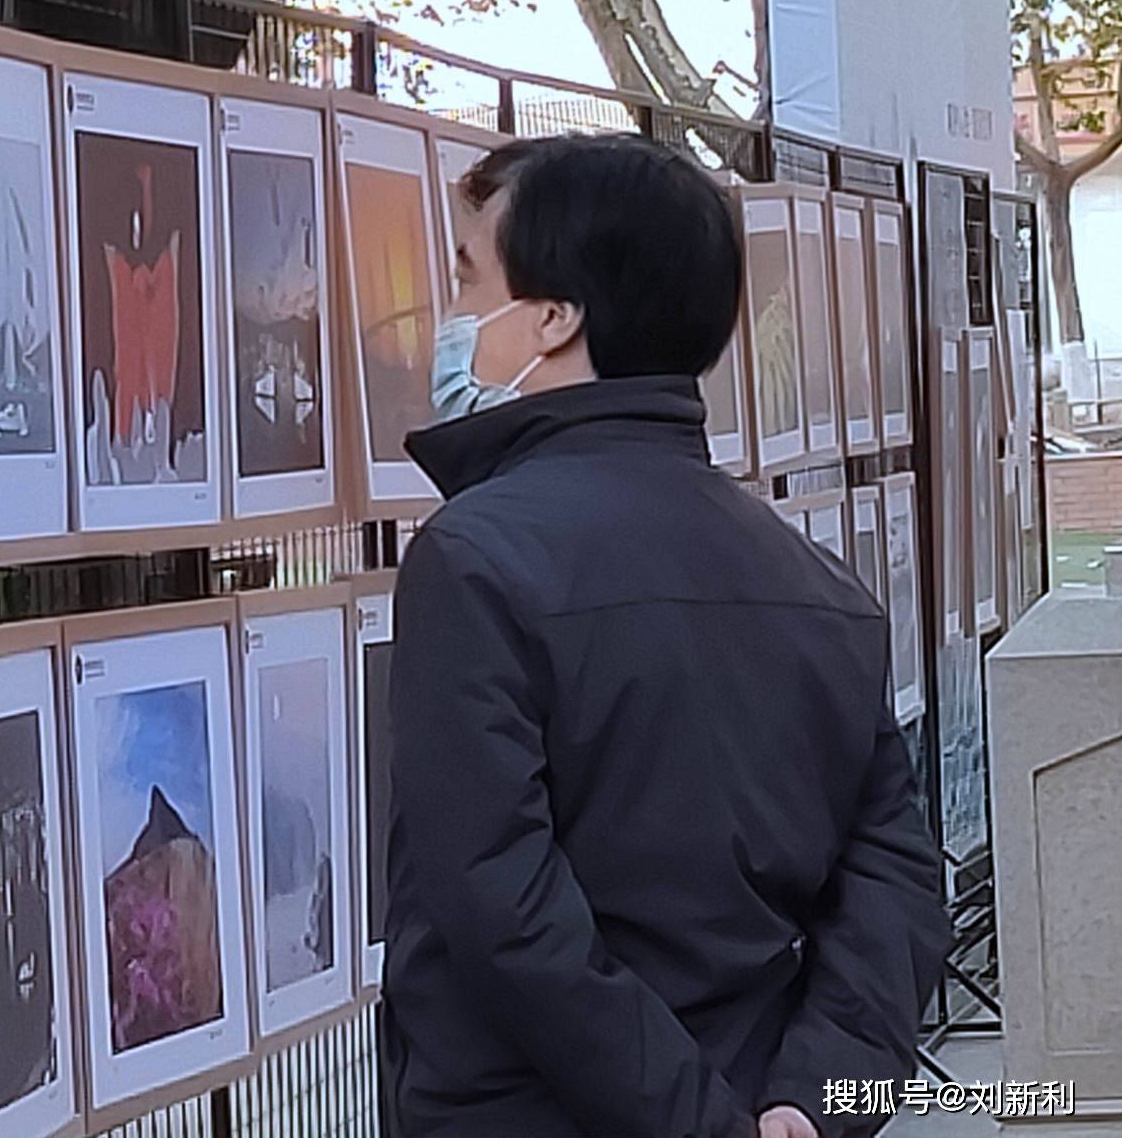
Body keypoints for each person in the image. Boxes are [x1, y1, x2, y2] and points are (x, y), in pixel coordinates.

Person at [381, 135, 950, 1138]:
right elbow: (895, 878)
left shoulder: (474, 561)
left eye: (469, 278)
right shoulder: (816, 582)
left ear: (553, 318)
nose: (451, 318)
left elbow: (500, 906)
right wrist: (807, 1101)